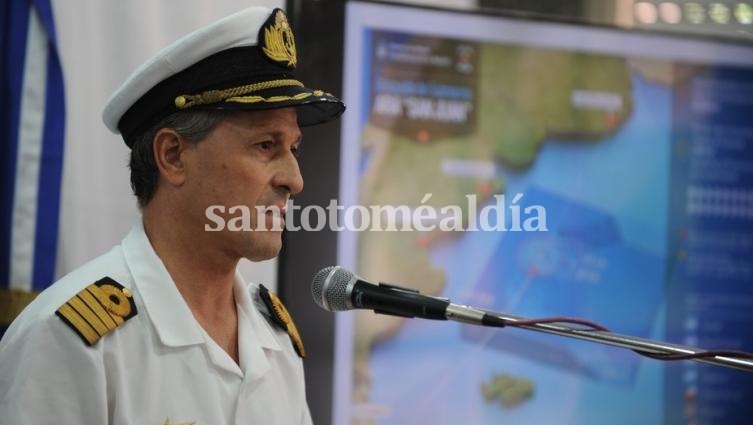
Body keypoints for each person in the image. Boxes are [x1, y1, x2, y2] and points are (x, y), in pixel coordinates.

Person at [0, 6, 344, 424]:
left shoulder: (276, 338)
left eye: (294, 148)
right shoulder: (70, 340)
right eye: (265, 146)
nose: (295, 179)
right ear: (173, 156)